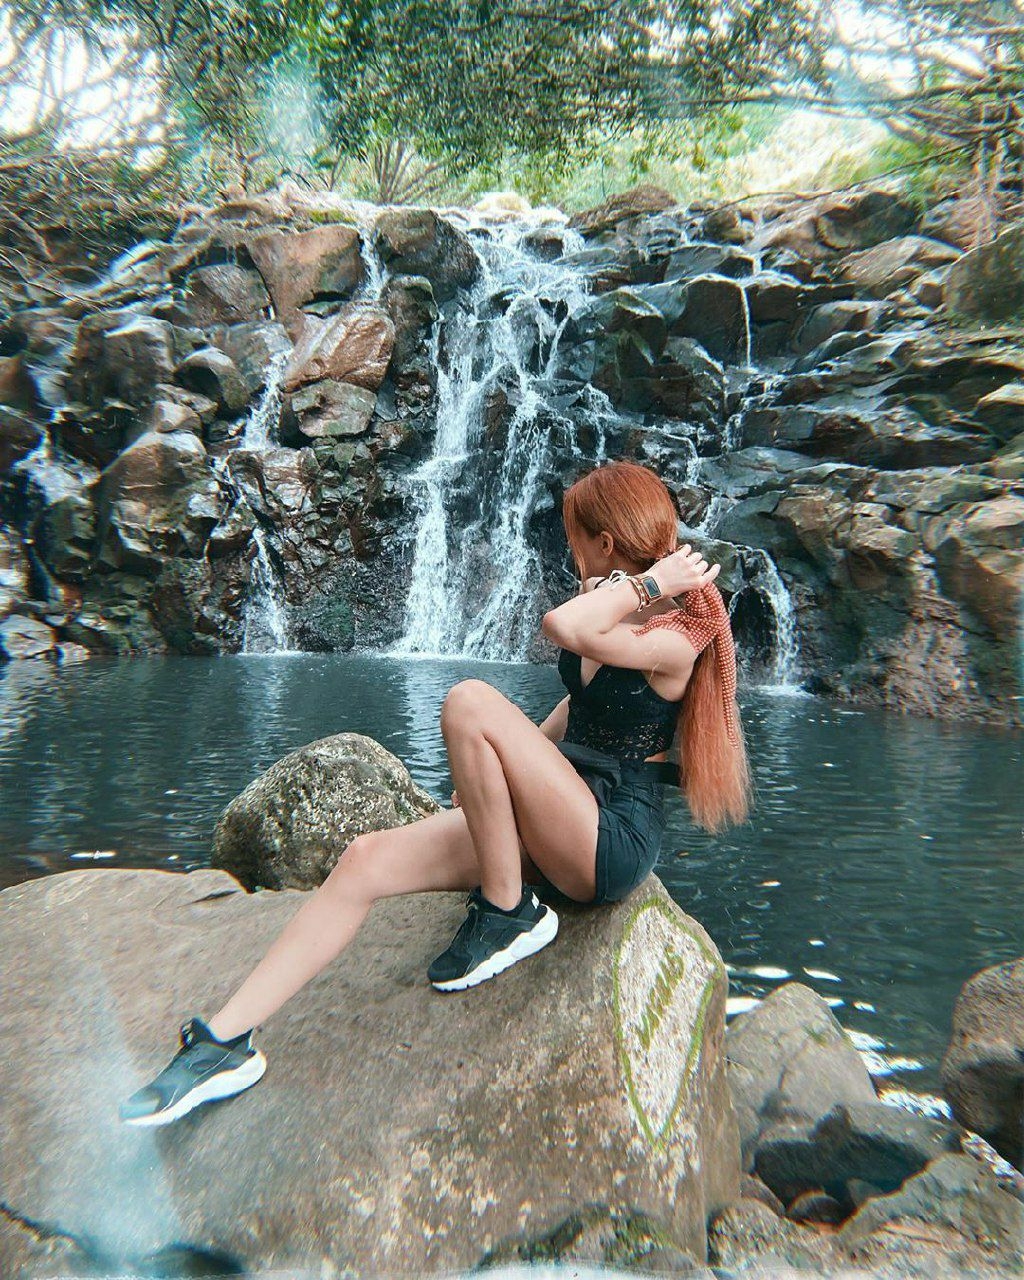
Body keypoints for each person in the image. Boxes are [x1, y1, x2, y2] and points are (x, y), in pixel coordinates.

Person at [119, 459, 753, 1127]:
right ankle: (223, 1044)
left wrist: (651, 583)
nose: (570, 551)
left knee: (470, 700)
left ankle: (507, 912)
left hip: (608, 836)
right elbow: (580, 707)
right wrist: (491, 778)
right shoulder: (612, 608)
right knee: (363, 860)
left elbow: (563, 627)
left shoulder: (675, 638)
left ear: (604, 541)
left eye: (575, 537)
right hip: (559, 808)